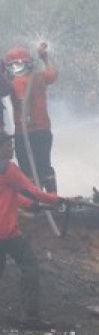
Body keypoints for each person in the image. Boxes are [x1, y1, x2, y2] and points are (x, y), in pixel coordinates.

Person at [0, 133, 59, 320]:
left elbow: (11, 195)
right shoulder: (8, 168)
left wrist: (34, 206)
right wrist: (58, 199)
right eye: (8, 145)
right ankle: (30, 316)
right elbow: (32, 191)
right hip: (6, 232)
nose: (12, 148)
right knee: (30, 266)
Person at [6, 42, 58, 192]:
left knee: (28, 169)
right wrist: (45, 57)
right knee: (44, 166)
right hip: (41, 131)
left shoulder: (13, 82)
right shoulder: (40, 77)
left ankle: (35, 201)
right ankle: (50, 198)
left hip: (25, 133)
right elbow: (53, 73)